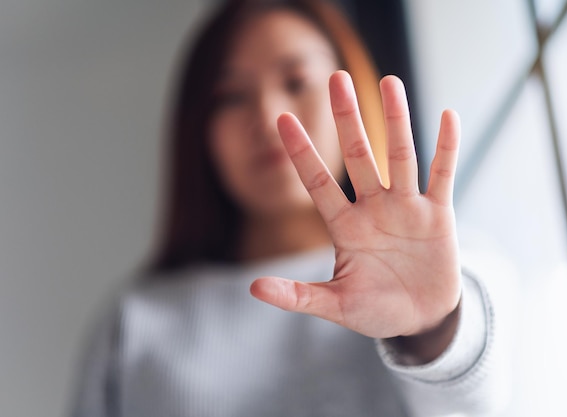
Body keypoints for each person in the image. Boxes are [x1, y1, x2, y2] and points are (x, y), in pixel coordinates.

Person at [71, 0, 505, 416]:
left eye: (296, 82)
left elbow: (478, 394)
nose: (267, 115)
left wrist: (431, 331)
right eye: (230, 96)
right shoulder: (135, 320)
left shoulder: (450, 265)